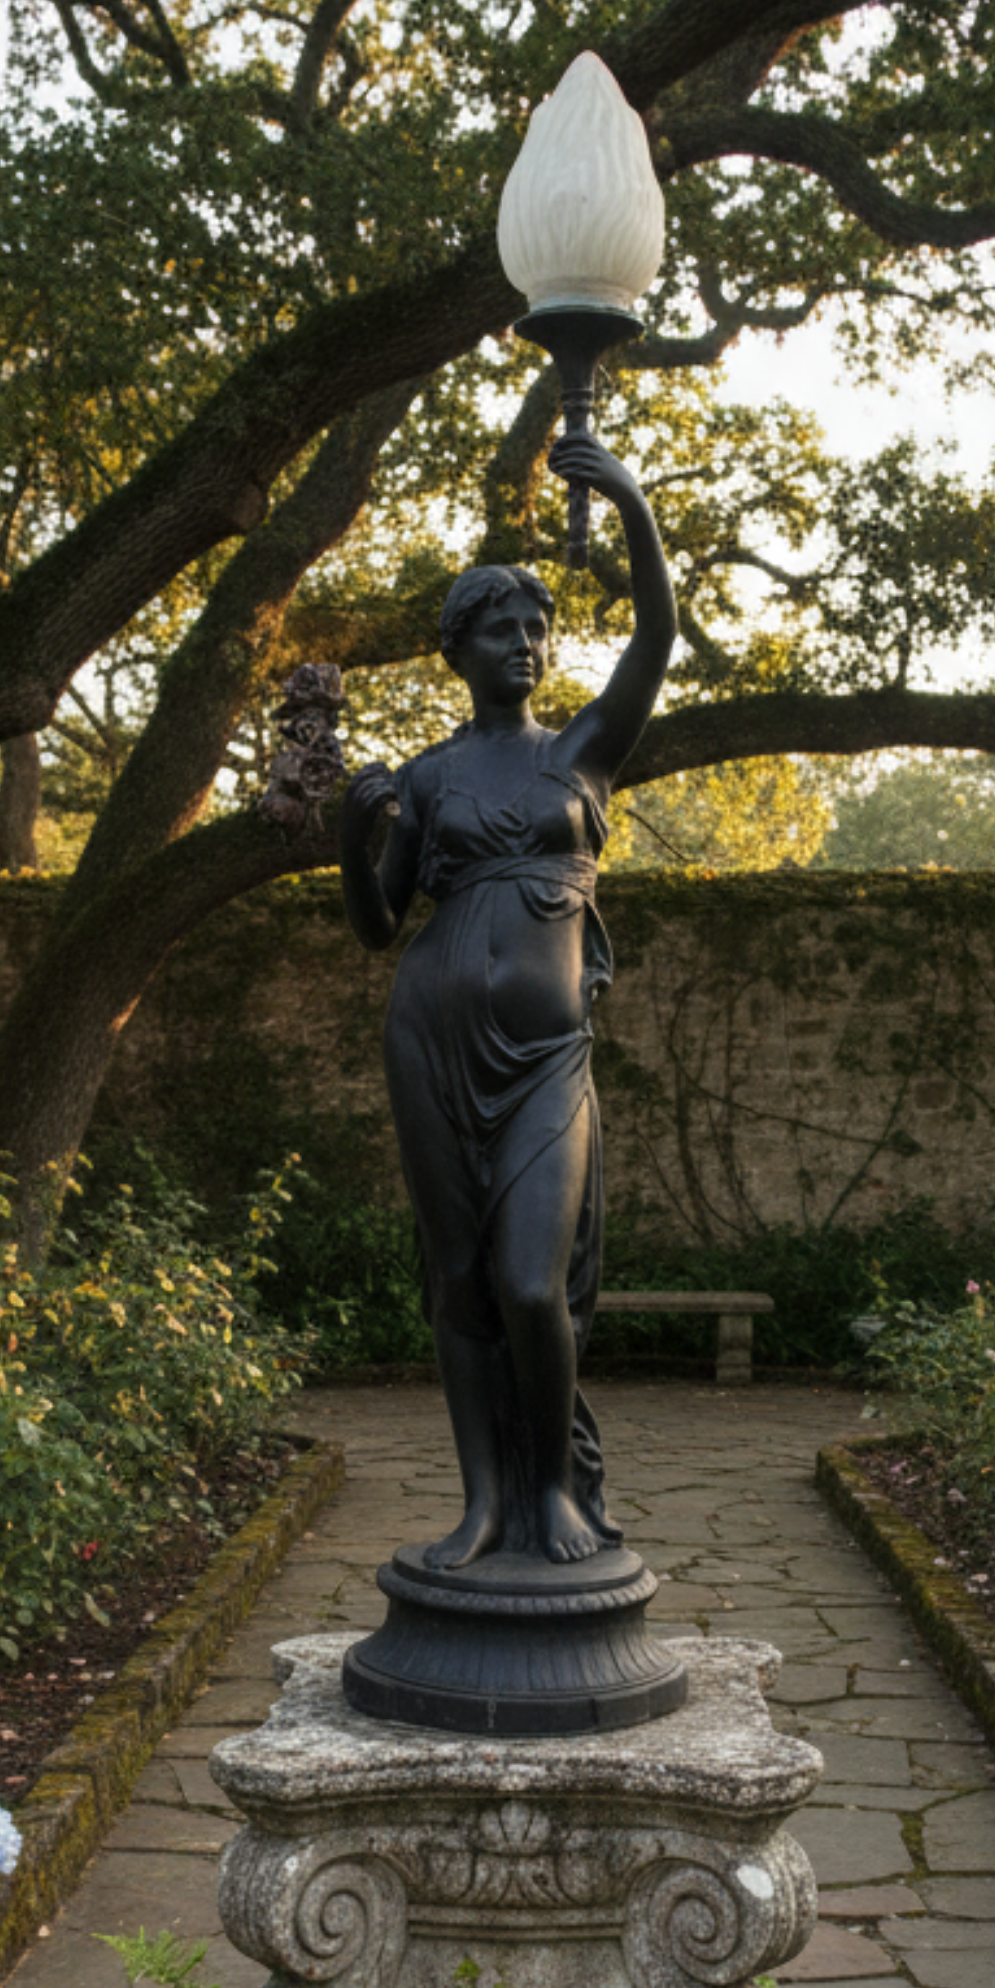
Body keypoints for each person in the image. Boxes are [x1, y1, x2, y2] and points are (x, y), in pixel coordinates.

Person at [339, 428, 675, 1568]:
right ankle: (483, 1506)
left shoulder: (578, 754)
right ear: (459, 649)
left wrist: (629, 504)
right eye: (500, 629)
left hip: (542, 1056)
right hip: (431, 1036)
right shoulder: (429, 778)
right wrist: (353, 838)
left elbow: (658, 637)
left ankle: (555, 1492)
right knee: (459, 1281)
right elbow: (381, 925)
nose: (525, 643)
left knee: (532, 1283)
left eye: (536, 627)